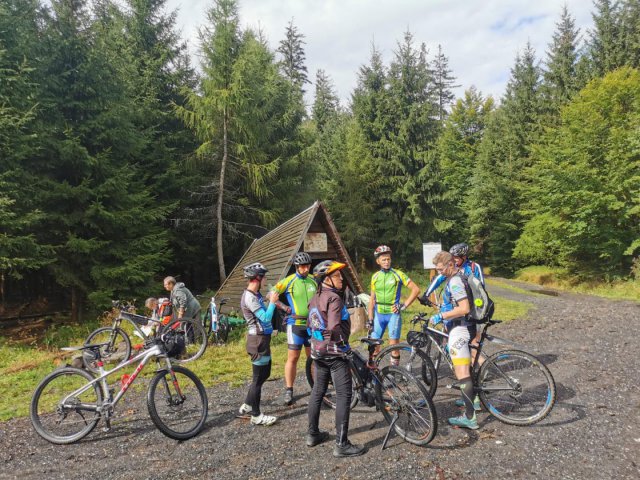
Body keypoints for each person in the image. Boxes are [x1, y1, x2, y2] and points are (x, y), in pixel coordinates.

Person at [307, 260, 365, 457]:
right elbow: (333, 327)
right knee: (343, 395)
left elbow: (311, 324)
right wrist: (343, 346)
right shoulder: (334, 298)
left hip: (318, 352)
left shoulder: (315, 298)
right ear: (327, 279)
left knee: (318, 390)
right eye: (337, 275)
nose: (341, 278)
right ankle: (342, 444)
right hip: (334, 353)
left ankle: (313, 434)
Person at [430, 251, 479, 430]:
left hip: (460, 329)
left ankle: (469, 417)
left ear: (451, 265)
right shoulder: (460, 276)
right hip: (467, 327)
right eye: (437, 270)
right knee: (468, 366)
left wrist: (442, 315)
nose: (439, 273)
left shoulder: (456, 281)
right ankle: (474, 399)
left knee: (462, 371)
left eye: (441, 269)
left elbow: (464, 308)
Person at [237, 262, 280, 426]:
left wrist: (270, 299)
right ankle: (256, 415)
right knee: (257, 379)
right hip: (257, 341)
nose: (266, 279)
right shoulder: (249, 297)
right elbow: (266, 317)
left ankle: (247, 405)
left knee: (265, 373)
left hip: (263, 340)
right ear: (258, 277)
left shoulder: (256, 295)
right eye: (264, 277)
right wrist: (273, 302)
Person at [273, 252, 317, 405]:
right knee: (293, 357)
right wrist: (284, 307)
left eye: (307, 266)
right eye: (302, 266)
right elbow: (271, 294)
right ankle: (289, 390)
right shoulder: (289, 280)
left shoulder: (313, 280)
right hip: (295, 325)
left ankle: (316, 388)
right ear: (297, 267)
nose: (305, 269)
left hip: (312, 324)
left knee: (314, 358)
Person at [367, 245, 420, 361]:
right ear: (378, 261)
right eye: (383, 260)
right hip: (379, 314)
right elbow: (372, 299)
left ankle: (394, 373)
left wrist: (404, 305)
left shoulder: (398, 274)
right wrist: (370, 318)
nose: (387, 262)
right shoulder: (375, 276)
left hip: (393, 314)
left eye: (388, 259)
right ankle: (374, 373)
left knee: (394, 346)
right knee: (374, 346)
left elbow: (416, 289)